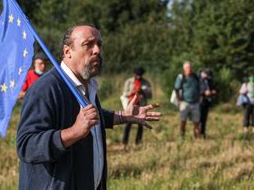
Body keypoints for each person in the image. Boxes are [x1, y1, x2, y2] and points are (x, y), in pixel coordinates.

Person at [16, 25, 161, 190]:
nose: (97, 50)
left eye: (99, 44)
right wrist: (74, 132)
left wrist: (123, 116)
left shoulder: (87, 86)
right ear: (67, 51)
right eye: (88, 44)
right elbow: (26, 146)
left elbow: (90, 117)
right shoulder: (45, 89)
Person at [121, 67, 153, 146]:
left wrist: (143, 92)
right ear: (134, 74)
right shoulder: (129, 82)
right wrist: (133, 91)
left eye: (140, 75)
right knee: (128, 123)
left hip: (141, 105)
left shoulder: (146, 83)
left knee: (140, 124)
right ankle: (124, 142)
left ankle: (138, 142)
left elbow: (150, 95)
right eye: (137, 75)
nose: (139, 77)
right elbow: (124, 93)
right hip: (130, 105)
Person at [174, 61, 201, 138]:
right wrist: (179, 100)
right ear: (184, 69)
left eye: (190, 67)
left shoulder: (195, 77)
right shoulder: (181, 77)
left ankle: (197, 138)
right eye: (187, 68)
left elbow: (199, 88)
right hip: (184, 102)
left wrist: (199, 98)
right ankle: (182, 137)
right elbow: (176, 89)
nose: (189, 69)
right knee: (183, 121)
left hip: (195, 102)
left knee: (196, 122)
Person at [199, 68, 217, 138]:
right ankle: (198, 134)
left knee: (204, 119)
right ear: (204, 73)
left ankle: (203, 133)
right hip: (200, 101)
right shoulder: (198, 80)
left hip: (206, 101)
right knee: (199, 119)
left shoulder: (209, 80)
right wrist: (204, 93)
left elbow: (214, 88)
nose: (208, 77)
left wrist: (213, 92)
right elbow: (196, 90)